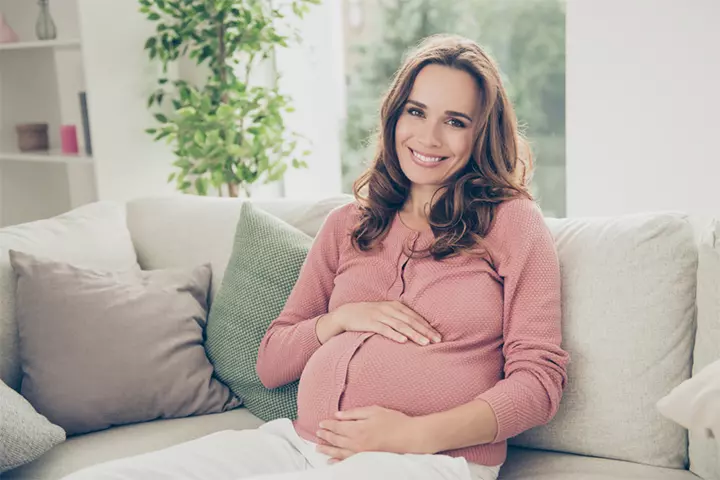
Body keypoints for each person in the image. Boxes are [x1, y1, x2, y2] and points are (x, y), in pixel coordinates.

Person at [63, 33, 569, 480]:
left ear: (481, 134)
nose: (428, 137)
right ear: (395, 115)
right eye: (416, 111)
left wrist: (415, 434)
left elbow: (539, 382)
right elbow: (271, 363)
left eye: (455, 121)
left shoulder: (509, 221)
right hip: (301, 444)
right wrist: (341, 319)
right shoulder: (348, 225)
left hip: (433, 460)